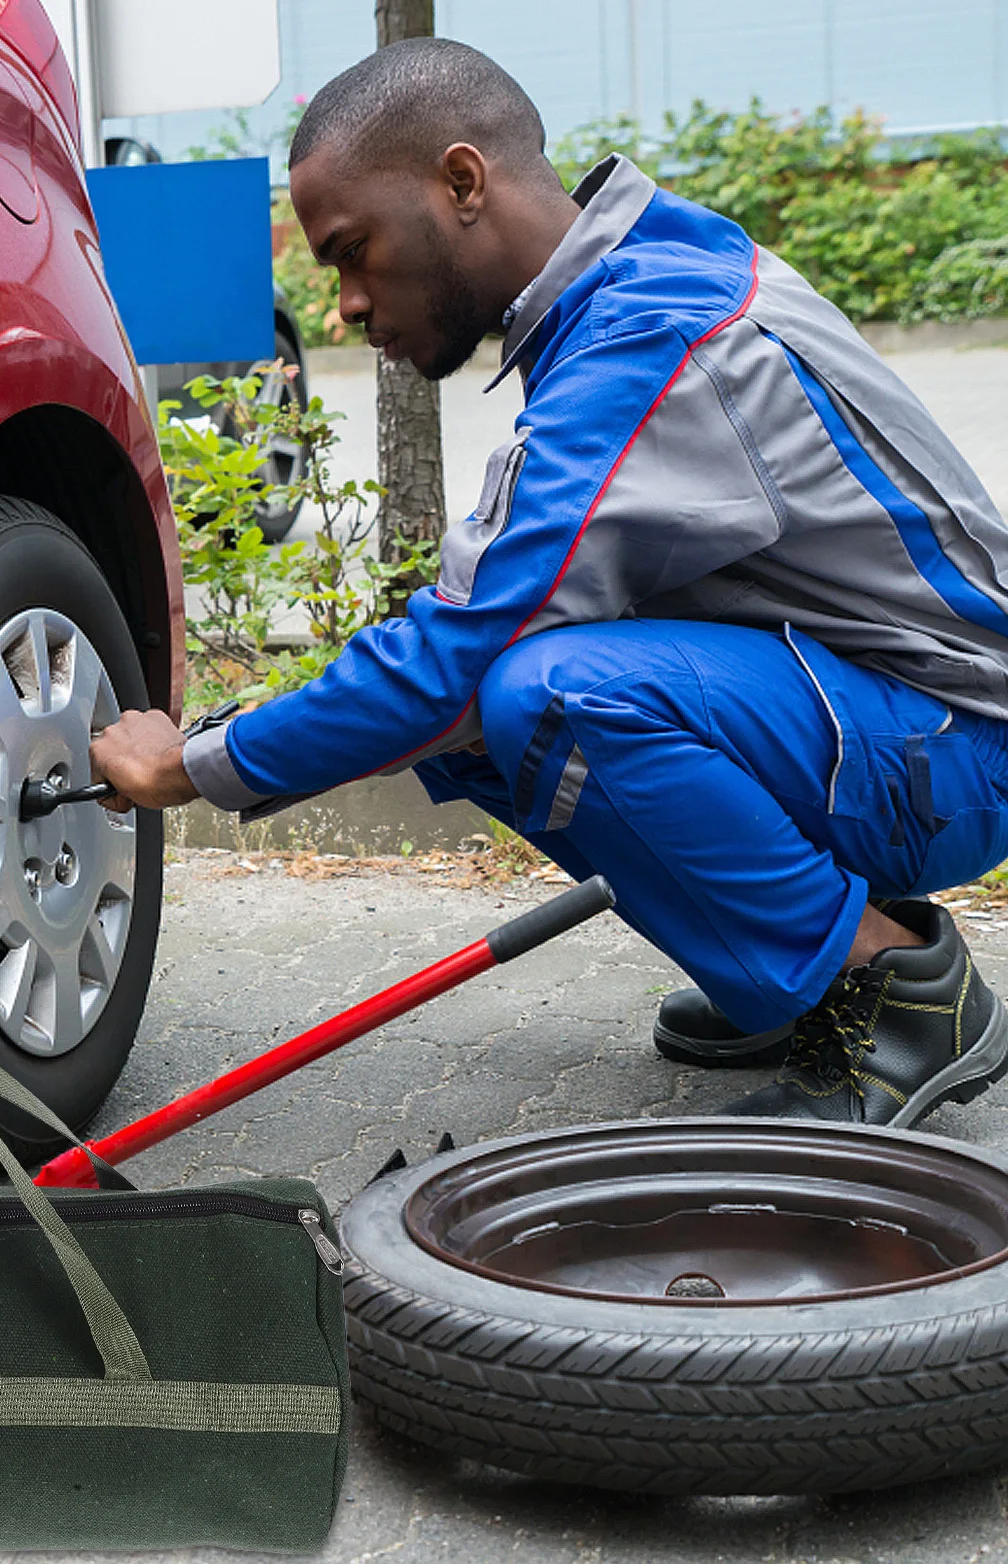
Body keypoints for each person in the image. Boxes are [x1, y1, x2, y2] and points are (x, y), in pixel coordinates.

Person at [88, 38, 1008, 1128]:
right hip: (880, 708)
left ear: (461, 181)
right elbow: (468, 639)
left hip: (958, 740)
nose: (344, 305)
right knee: (477, 712)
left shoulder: (649, 335)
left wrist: (189, 763)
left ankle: (889, 989)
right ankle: (791, 972)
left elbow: (460, 653)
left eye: (353, 252)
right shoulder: (630, 279)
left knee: (546, 694)